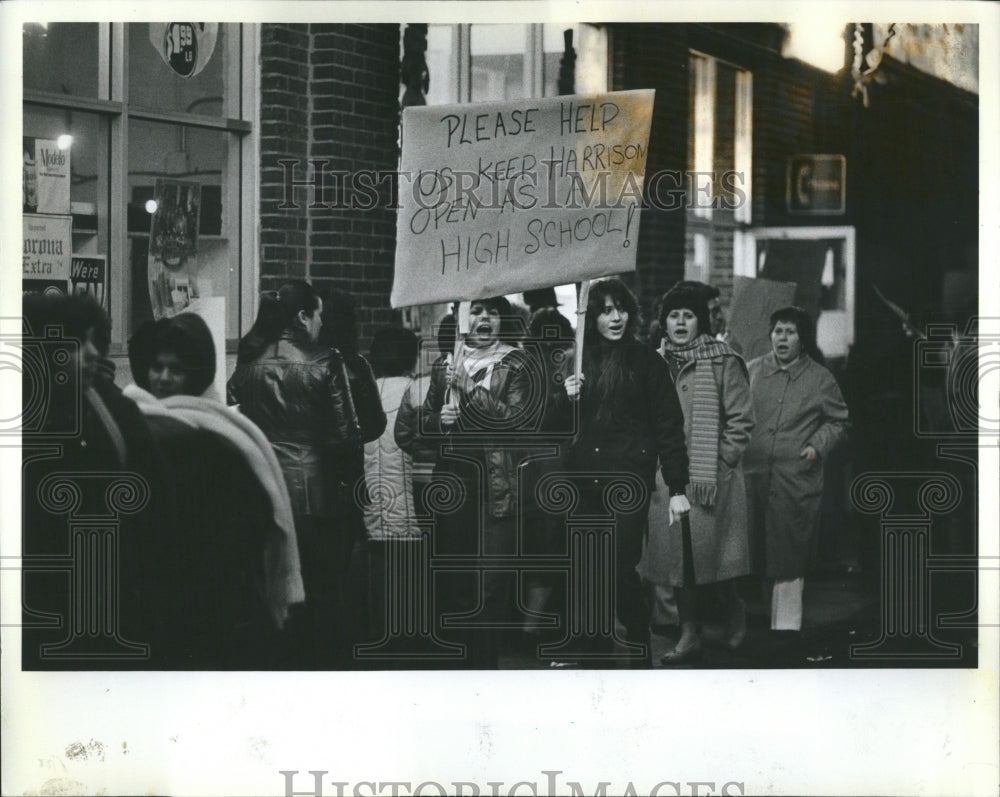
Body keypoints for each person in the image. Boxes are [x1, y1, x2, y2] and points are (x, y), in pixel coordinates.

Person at [125, 313, 302, 667]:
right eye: (156, 367)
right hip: (158, 592)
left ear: (196, 373)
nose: (162, 378)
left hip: (209, 599)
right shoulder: (136, 423)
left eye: (175, 369)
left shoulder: (222, 436)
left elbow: (249, 518)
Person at [21, 293, 169, 669]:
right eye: (75, 343)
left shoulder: (113, 409)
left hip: (108, 596)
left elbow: (153, 500)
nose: (91, 354)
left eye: (94, 341)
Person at [227, 281, 361, 667]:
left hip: (263, 485)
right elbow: (345, 435)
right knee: (319, 592)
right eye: (318, 314)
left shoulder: (248, 360)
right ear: (304, 316)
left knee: (272, 589)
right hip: (314, 493)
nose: (320, 322)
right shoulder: (325, 360)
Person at [561, 278, 691, 666]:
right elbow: (553, 426)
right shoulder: (577, 360)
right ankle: (597, 653)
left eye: (621, 309)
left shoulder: (647, 361)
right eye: (605, 310)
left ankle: (636, 639)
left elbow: (669, 425)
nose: (615, 317)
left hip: (627, 481)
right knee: (589, 570)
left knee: (618, 567)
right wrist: (564, 398)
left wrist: (677, 486)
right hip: (583, 481)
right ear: (591, 317)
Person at [418, 296, 542, 668]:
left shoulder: (517, 363)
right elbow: (423, 427)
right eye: (478, 311)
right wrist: (440, 419)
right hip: (455, 484)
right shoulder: (446, 364)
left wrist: (471, 388)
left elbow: (518, 423)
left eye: (493, 312)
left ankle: (485, 668)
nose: (485, 318)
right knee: (457, 584)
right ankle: (459, 670)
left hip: (497, 486)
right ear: (463, 318)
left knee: (491, 584)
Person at [639, 284, 755, 664]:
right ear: (664, 322)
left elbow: (740, 420)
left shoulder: (724, 360)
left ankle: (734, 608)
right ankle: (689, 633)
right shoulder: (652, 361)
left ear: (700, 322)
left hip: (712, 478)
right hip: (668, 478)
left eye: (688, 315)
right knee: (682, 564)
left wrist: (719, 465)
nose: (680, 323)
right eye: (674, 315)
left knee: (718, 563)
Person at [743, 306, 849, 644]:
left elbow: (839, 422)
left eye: (790, 332)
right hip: (754, 477)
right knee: (759, 551)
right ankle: (765, 631)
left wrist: (816, 446)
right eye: (777, 331)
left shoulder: (820, 378)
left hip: (795, 479)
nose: (782, 338)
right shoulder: (752, 371)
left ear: (802, 339)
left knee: (788, 554)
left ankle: (785, 635)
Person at [363, 326, 423, 642]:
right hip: (408, 503)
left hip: (373, 502)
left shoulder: (365, 392)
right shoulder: (416, 391)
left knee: (378, 585)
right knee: (408, 587)